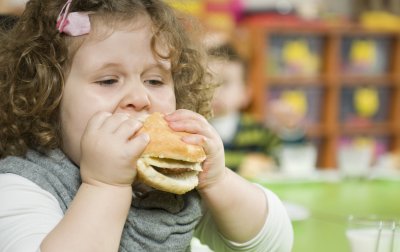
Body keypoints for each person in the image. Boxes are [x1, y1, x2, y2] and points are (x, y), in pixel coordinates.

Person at [0, 1, 293, 251]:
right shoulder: (22, 185)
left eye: (155, 81)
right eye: (108, 80)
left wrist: (217, 181)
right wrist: (105, 186)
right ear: (48, 95)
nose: (140, 99)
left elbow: (273, 243)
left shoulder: (168, 180)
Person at [208, 42, 306, 175]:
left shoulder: (258, 130)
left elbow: (289, 160)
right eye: (206, 83)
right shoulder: (195, 127)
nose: (215, 92)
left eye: (225, 83)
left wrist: (290, 129)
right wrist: (244, 162)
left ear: (245, 94)